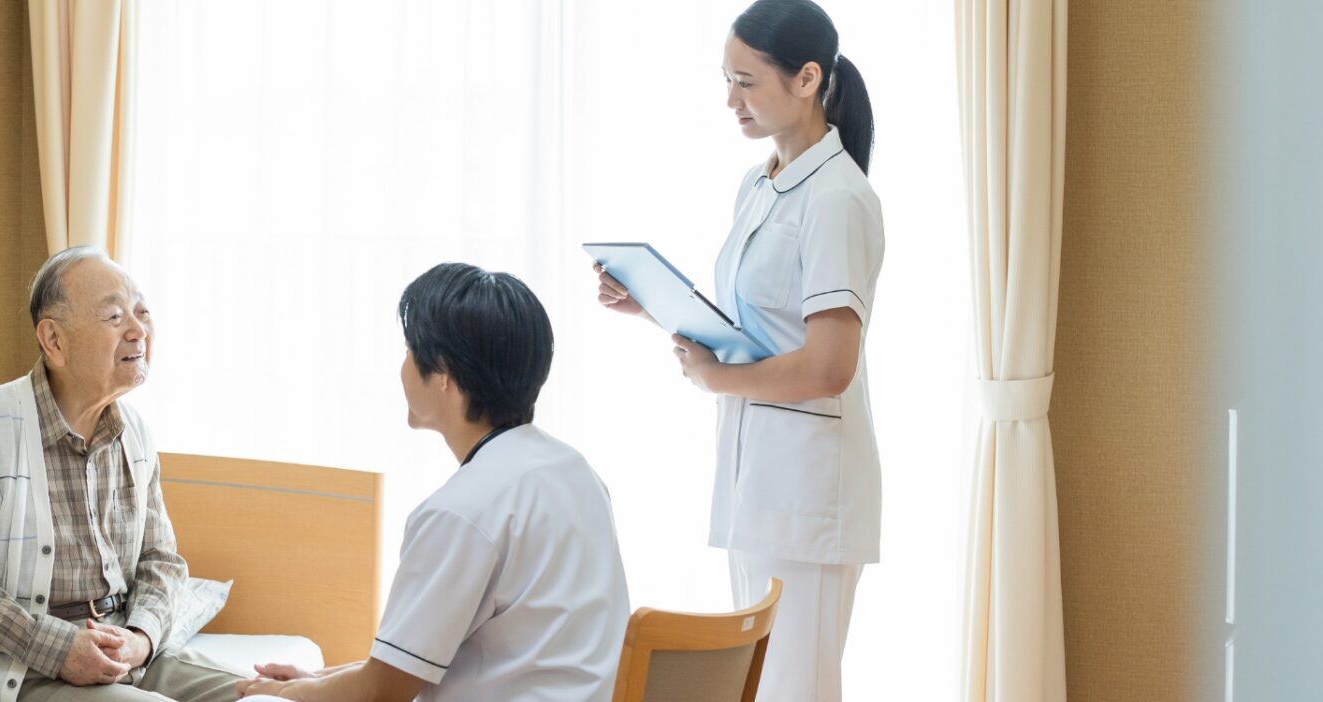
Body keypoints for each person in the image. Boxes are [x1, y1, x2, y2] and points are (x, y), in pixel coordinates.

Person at [595, 1, 884, 698]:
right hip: (757, 479)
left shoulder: (838, 199)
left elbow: (829, 367)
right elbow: (753, 331)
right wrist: (652, 306)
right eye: (727, 79)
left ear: (807, 79)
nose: (731, 100)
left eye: (746, 82)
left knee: (797, 688)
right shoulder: (758, 185)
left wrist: (715, 380)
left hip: (809, 491)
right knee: (759, 684)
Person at [238, 263, 629, 702]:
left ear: (443, 373)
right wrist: (316, 681)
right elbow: (412, 663)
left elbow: (384, 690)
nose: (403, 367)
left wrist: (286, 693)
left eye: (410, 350)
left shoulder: (461, 512)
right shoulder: (575, 472)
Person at [0, 246, 243, 702]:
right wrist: (60, 648)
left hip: (123, 647)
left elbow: (160, 560)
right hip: (16, 667)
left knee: (264, 693)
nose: (138, 330)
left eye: (142, 312)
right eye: (114, 316)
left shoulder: (135, 433)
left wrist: (140, 638)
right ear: (54, 340)